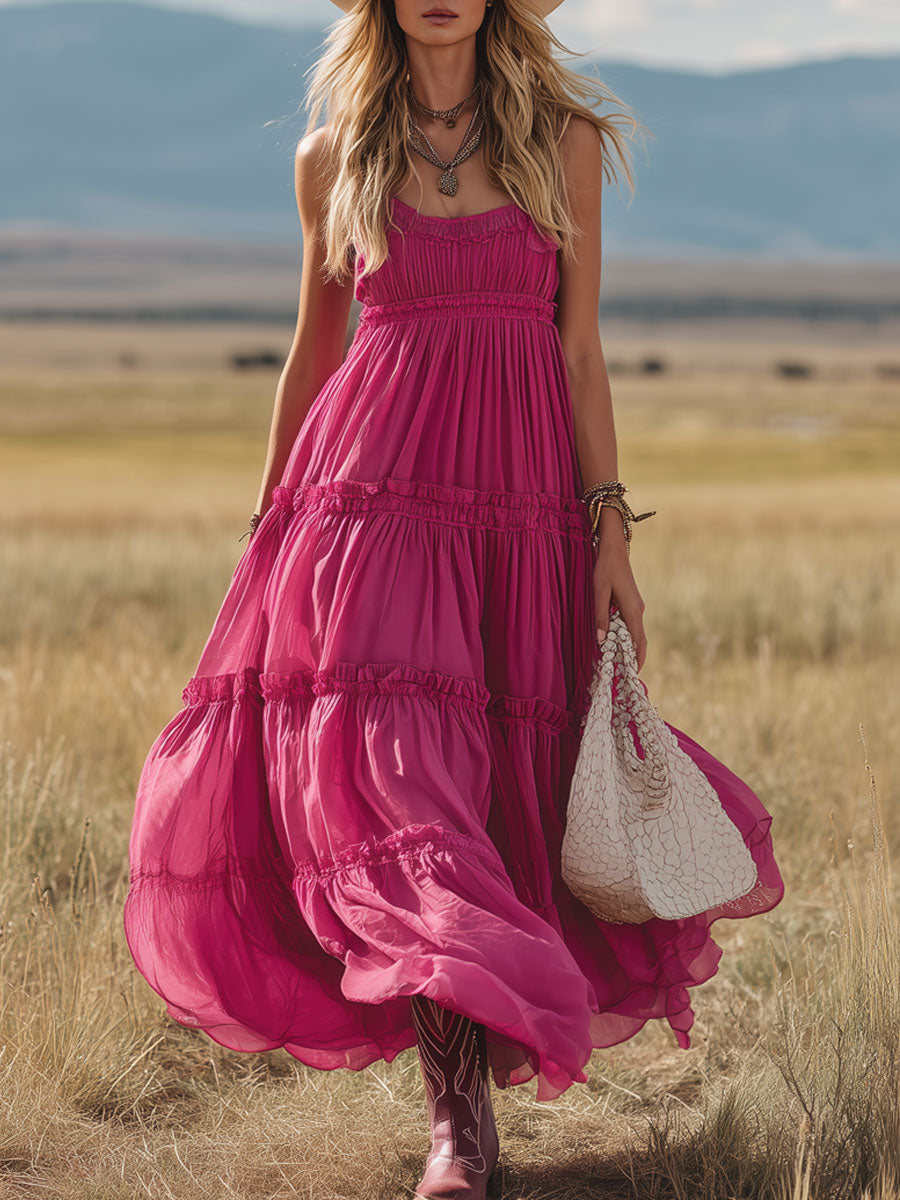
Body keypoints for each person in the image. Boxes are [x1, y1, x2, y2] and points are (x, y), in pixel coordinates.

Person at [123, 2, 784, 1197]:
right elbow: (316, 351)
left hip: (517, 509)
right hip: (367, 507)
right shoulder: (333, 156)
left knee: (498, 798)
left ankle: (478, 1073)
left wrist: (610, 536)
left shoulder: (559, 139)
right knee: (402, 793)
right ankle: (458, 1129)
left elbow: (580, 351)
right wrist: (271, 524)